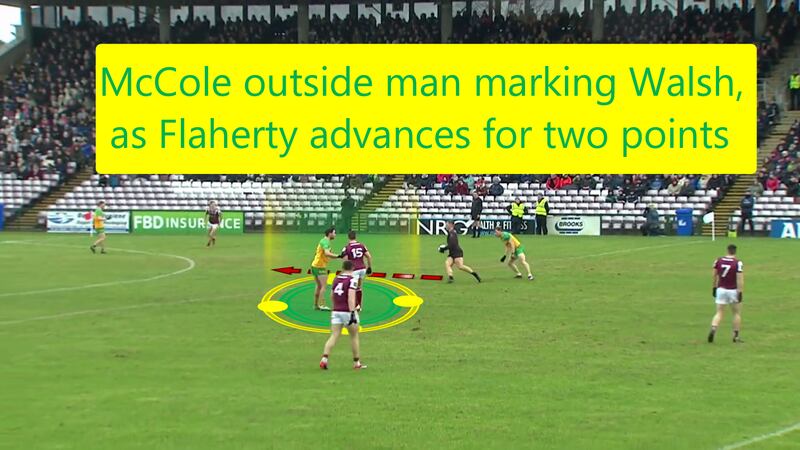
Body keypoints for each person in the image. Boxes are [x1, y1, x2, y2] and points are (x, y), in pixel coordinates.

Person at [319, 260, 366, 370]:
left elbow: (332, 295)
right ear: (352, 268)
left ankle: (324, 359)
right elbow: (351, 297)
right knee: (354, 336)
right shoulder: (352, 280)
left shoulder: (336, 279)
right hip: (347, 311)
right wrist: (353, 312)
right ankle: (356, 363)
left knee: (334, 335)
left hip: (336, 310)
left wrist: (335, 307)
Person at [708, 244, 744, 344]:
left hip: (721, 289)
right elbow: (739, 278)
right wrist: (740, 292)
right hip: (732, 290)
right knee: (736, 313)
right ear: (735, 251)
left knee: (719, 312)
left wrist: (714, 287)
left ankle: (714, 328)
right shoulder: (738, 263)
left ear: (727, 251)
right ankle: (735, 336)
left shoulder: (718, 260)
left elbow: (714, 275)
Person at [341, 230, 373, 311]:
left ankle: (355, 305)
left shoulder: (346, 247)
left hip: (353, 270)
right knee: (358, 287)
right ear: (355, 236)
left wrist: (345, 271)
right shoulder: (362, 245)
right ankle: (359, 305)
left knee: (351, 288)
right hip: (362, 269)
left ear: (348, 237)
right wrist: (369, 267)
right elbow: (369, 256)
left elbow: (345, 260)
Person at [310, 227, 340, 311]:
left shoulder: (323, 241)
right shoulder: (326, 242)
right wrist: (339, 256)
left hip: (314, 265)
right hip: (320, 266)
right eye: (334, 233)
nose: (335, 234)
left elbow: (326, 254)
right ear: (330, 233)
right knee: (323, 286)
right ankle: (322, 305)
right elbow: (327, 253)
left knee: (319, 286)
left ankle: (316, 305)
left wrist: (337, 257)